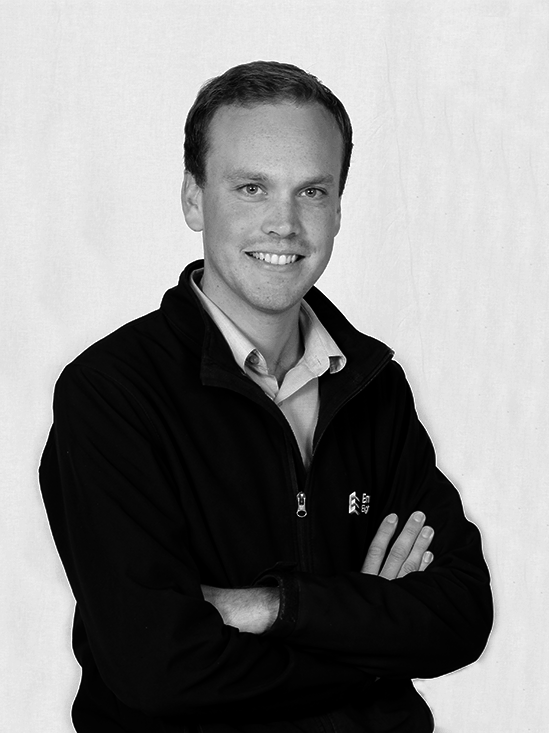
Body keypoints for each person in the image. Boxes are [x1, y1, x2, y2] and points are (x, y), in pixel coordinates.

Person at [39, 61, 493, 732]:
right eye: (252, 188)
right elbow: (158, 668)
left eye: (311, 191)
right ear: (194, 199)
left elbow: (460, 615)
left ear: (337, 208)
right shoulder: (112, 394)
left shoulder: (372, 385)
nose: (284, 223)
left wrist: (272, 607)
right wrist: (374, 642)